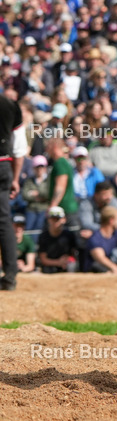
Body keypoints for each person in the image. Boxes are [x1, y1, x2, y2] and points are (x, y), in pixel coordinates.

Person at [0, 94, 28, 289]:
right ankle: (10, 276)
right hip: (3, 165)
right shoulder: (10, 105)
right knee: (3, 220)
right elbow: (19, 148)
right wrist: (16, 179)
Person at [37, 206, 80, 273]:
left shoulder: (69, 235)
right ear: (48, 220)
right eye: (53, 219)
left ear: (64, 219)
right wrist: (58, 262)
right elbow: (43, 259)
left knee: (72, 266)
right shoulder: (43, 236)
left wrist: (66, 259)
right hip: (50, 266)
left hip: (66, 264)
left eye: (58, 219)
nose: (55, 221)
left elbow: (74, 254)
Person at [88, 205, 117, 274]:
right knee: (97, 265)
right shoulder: (95, 237)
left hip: (112, 268)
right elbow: (100, 258)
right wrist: (116, 269)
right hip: (98, 270)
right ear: (111, 220)